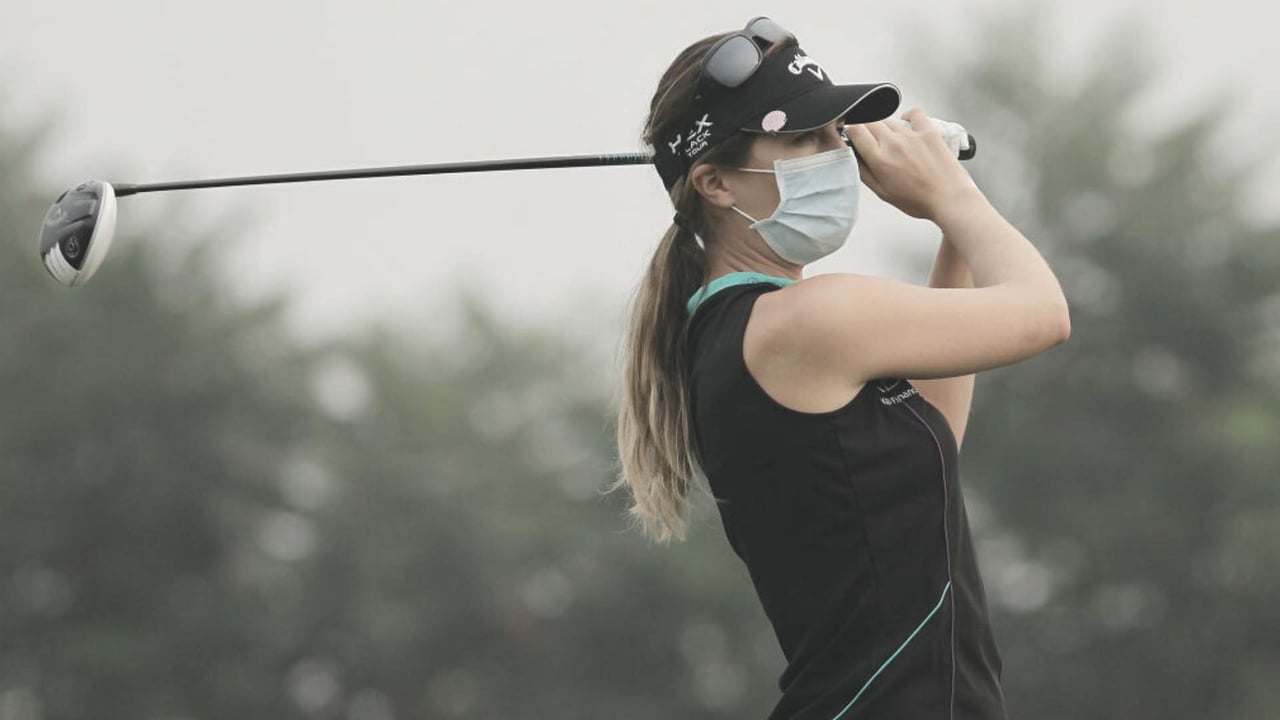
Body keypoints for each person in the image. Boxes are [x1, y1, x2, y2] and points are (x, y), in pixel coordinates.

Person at [612, 16, 1070, 720]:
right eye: (803, 137)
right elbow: (1043, 314)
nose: (839, 153)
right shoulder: (807, 321)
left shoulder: (748, 331)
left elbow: (935, 434)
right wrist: (954, 197)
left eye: (837, 132)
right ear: (716, 183)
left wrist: (952, 217)